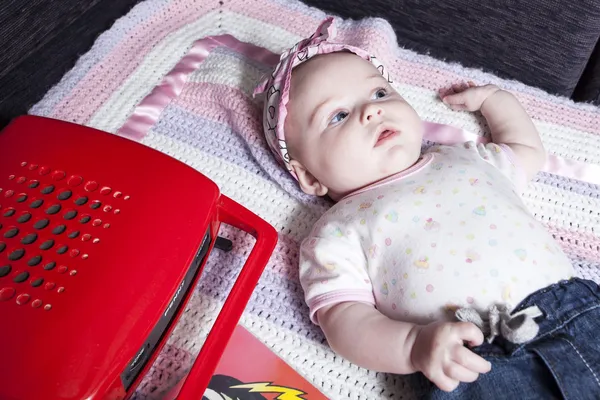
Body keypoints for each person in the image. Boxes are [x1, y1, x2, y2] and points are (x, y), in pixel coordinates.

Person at [254, 17, 600, 399]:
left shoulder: (464, 158)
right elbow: (344, 320)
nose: (372, 111)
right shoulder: (337, 231)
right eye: (337, 116)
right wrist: (412, 346)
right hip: (470, 359)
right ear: (309, 178)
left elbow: (526, 151)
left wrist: (495, 101)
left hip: (577, 310)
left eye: (380, 94)